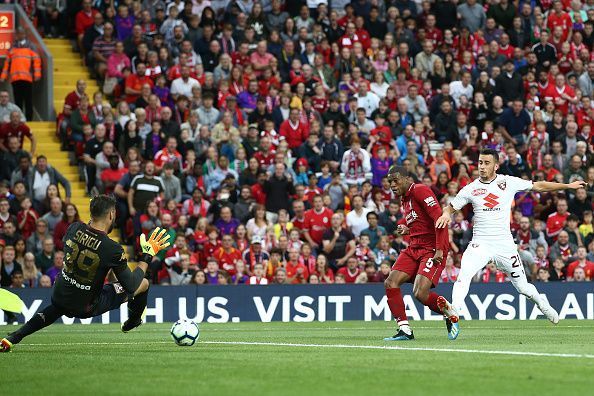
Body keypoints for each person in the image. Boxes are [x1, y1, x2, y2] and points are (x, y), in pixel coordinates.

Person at [436, 149, 587, 337]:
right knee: (463, 276)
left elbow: (538, 186)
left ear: (496, 166)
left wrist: (568, 185)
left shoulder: (507, 182)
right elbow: (450, 208)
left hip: (505, 246)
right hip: (480, 244)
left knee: (523, 288)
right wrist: (445, 214)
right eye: (480, 163)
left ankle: (542, 303)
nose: (481, 167)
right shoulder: (471, 188)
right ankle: (454, 313)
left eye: (486, 163)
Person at [1, 195, 171, 352]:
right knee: (143, 283)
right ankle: (133, 321)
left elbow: (87, 238)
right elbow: (131, 285)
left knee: (58, 307)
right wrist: (147, 255)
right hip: (86, 307)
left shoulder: (73, 228)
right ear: (111, 215)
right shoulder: (111, 248)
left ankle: (14, 336)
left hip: (59, 295)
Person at [383, 165, 458, 342]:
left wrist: (440, 249)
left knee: (420, 293)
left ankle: (449, 312)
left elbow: (440, 219)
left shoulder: (420, 190)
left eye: (396, 180)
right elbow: (422, 224)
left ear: (407, 179)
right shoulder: (405, 199)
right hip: (414, 247)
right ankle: (405, 330)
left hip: (431, 248)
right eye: (390, 182)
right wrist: (408, 230)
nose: (392, 185)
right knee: (390, 282)